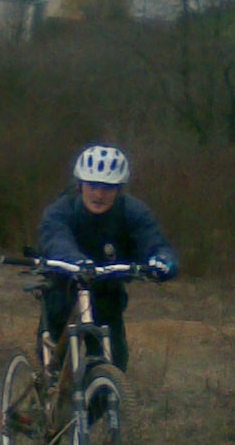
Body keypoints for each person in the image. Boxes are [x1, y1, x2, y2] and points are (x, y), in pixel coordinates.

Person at [36, 143, 177, 377]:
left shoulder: (133, 212)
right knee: (53, 364)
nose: (99, 194)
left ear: (118, 190)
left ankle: (101, 396)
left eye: (108, 188)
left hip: (106, 294)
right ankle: (48, 390)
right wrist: (76, 261)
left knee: (114, 364)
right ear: (80, 185)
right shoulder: (62, 210)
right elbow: (56, 238)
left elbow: (154, 241)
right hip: (63, 288)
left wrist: (163, 261)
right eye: (92, 186)